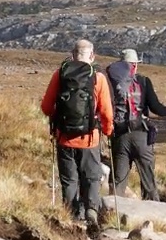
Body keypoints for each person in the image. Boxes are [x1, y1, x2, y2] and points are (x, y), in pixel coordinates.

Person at [40, 39, 114, 226]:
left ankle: (72, 218)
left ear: (73, 54)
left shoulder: (60, 75)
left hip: (64, 138)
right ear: (92, 55)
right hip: (90, 139)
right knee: (91, 177)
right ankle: (91, 211)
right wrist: (108, 130)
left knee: (70, 180)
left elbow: (46, 107)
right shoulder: (99, 78)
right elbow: (106, 111)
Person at [105, 48, 166, 201]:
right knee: (148, 180)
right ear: (135, 65)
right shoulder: (144, 81)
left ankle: (112, 214)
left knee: (118, 180)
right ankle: (153, 214)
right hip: (142, 137)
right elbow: (156, 108)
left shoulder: (110, 82)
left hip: (119, 136)